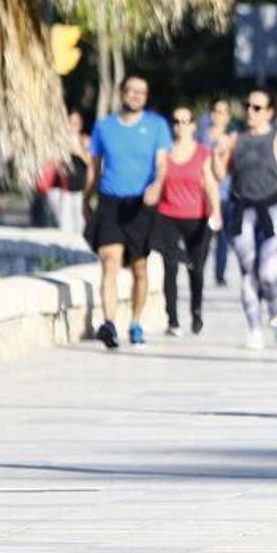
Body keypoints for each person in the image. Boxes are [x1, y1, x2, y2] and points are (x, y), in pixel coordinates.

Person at [85, 75, 172, 349]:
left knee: (139, 268)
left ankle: (135, 322)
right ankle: (109, 323)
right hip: (110, 201)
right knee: (110, 261)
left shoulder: (156, 126)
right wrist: (86, 197)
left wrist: (157, 185)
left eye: (141, 92)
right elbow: (94, 166)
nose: (135, 96)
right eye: (131, 91)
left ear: (146, 98)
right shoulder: (104, 127)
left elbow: (161, 163)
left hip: (141, 204)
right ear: (121, 93)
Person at [216, 87, 277, 350]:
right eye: (247, 106)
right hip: (243, 210)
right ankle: (254, 329)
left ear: (269, 112)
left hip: (272, 209)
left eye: (256, 108)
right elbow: (221, 175)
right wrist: (217, 153)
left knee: (268, 272)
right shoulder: (236, 139)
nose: (250, 112)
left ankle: (276, 313)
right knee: (248, 272)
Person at [154, 106, 223, 336]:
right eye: (176, 121)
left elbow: (211, 184)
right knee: (170, 267)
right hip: (168, 215)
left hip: (197, 217)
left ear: (193, 125)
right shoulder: (164, 152)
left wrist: (216, 212)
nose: (181, 126)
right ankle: (172, 319)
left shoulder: (203, 152)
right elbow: (156, 182)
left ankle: (196, 312)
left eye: (186, 121)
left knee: (197, 268)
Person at [198, 98, 236, 287]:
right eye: (216, 111)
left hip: (225, 194)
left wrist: (218, 153)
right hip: (202, 194)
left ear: (228, 116)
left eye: (224, 112)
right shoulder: (200, 137)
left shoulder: (231, 139)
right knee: (202, 237)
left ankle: (219, 274)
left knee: (223, 238)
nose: (219, 115)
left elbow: (223, 173)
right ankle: (198, 270)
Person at [39, 109, 91, 236]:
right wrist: (61, 154)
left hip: (80, 189)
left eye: (76, 123)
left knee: (80, 224)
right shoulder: (58, 142)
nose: (74, 126)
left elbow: (92, 162)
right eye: (71, 123)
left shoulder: (85, 140)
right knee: (65, 225)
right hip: (62, 190)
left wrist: (79, 151)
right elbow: (50, 163)